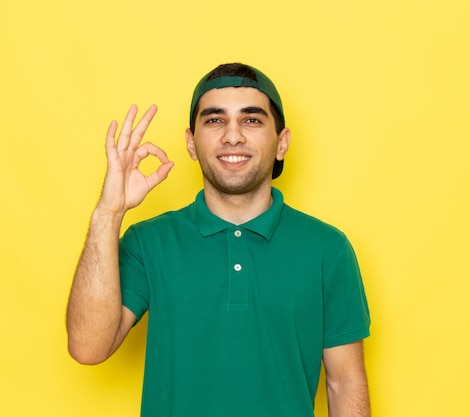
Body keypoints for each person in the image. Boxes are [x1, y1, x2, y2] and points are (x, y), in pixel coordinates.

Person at [67, 63, 371, 417]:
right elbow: (88, 347)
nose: (232, 136)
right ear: (191, 143)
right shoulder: (148, 242)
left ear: (282, 143)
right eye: (214, 120)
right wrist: (108, 213)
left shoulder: (327, 249)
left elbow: (345, 381)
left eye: (252, 120)